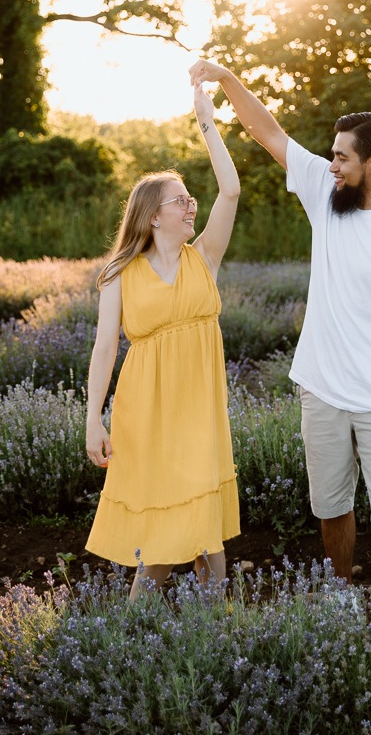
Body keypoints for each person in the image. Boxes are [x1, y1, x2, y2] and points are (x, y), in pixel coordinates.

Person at [188, 58, 371, 608]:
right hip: (322, 390)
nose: (331, 165)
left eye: (341, 157)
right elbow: (267, 131)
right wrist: (225, 77)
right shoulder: (326, 199)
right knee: (331, 508)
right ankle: (342, 599)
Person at [85, 81, 241, 599]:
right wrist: (93, 418)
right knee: (163, 534)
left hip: (199, 407)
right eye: (180, 201)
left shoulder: (205, 258)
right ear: (155, 215)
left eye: (190, 199)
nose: (191, 206)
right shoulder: (120, 274)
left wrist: (207, 122)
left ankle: (215, 628)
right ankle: (139, 631)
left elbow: (232, 190)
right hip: (146, 410)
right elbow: (105, 348)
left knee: (205, 528)